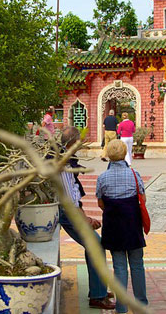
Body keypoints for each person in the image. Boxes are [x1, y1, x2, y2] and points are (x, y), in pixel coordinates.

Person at [58, 126, 115, 310]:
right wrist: (85, 219)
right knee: (96, 246)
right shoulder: (64, 162)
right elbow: (69, 198)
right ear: (73, 143)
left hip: (69, 211)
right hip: (67, 213)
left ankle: (98, 290)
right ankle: (97, 296)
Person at [96, 139, 148, 314]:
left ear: (108, 155)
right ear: (125, 153)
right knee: (137, 264)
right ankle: (141, 303)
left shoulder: (102, 177)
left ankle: (121, 306)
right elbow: (143, 198)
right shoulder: (134, 174)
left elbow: (101, 203)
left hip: (113, 225)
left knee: (119, 266)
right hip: (132, 224)